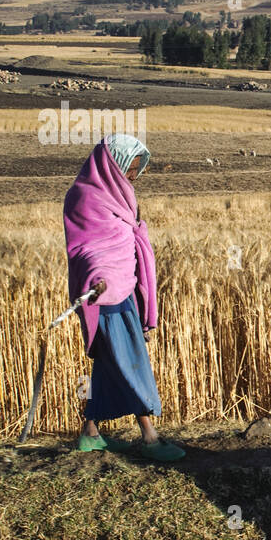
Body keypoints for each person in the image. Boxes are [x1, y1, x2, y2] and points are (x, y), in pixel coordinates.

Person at [63, 133, 184, 461]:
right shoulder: (84, 197)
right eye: (129, 169)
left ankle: (90, 433)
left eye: (136, 170)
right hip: (103, 295)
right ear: (111, 164)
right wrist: (97, 278)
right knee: (131, 360)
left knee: (107, 362)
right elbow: (84, 247)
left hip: (123, 289)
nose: (133, 176)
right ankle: (149, 436)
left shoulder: (120, 194)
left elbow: (123, 240)